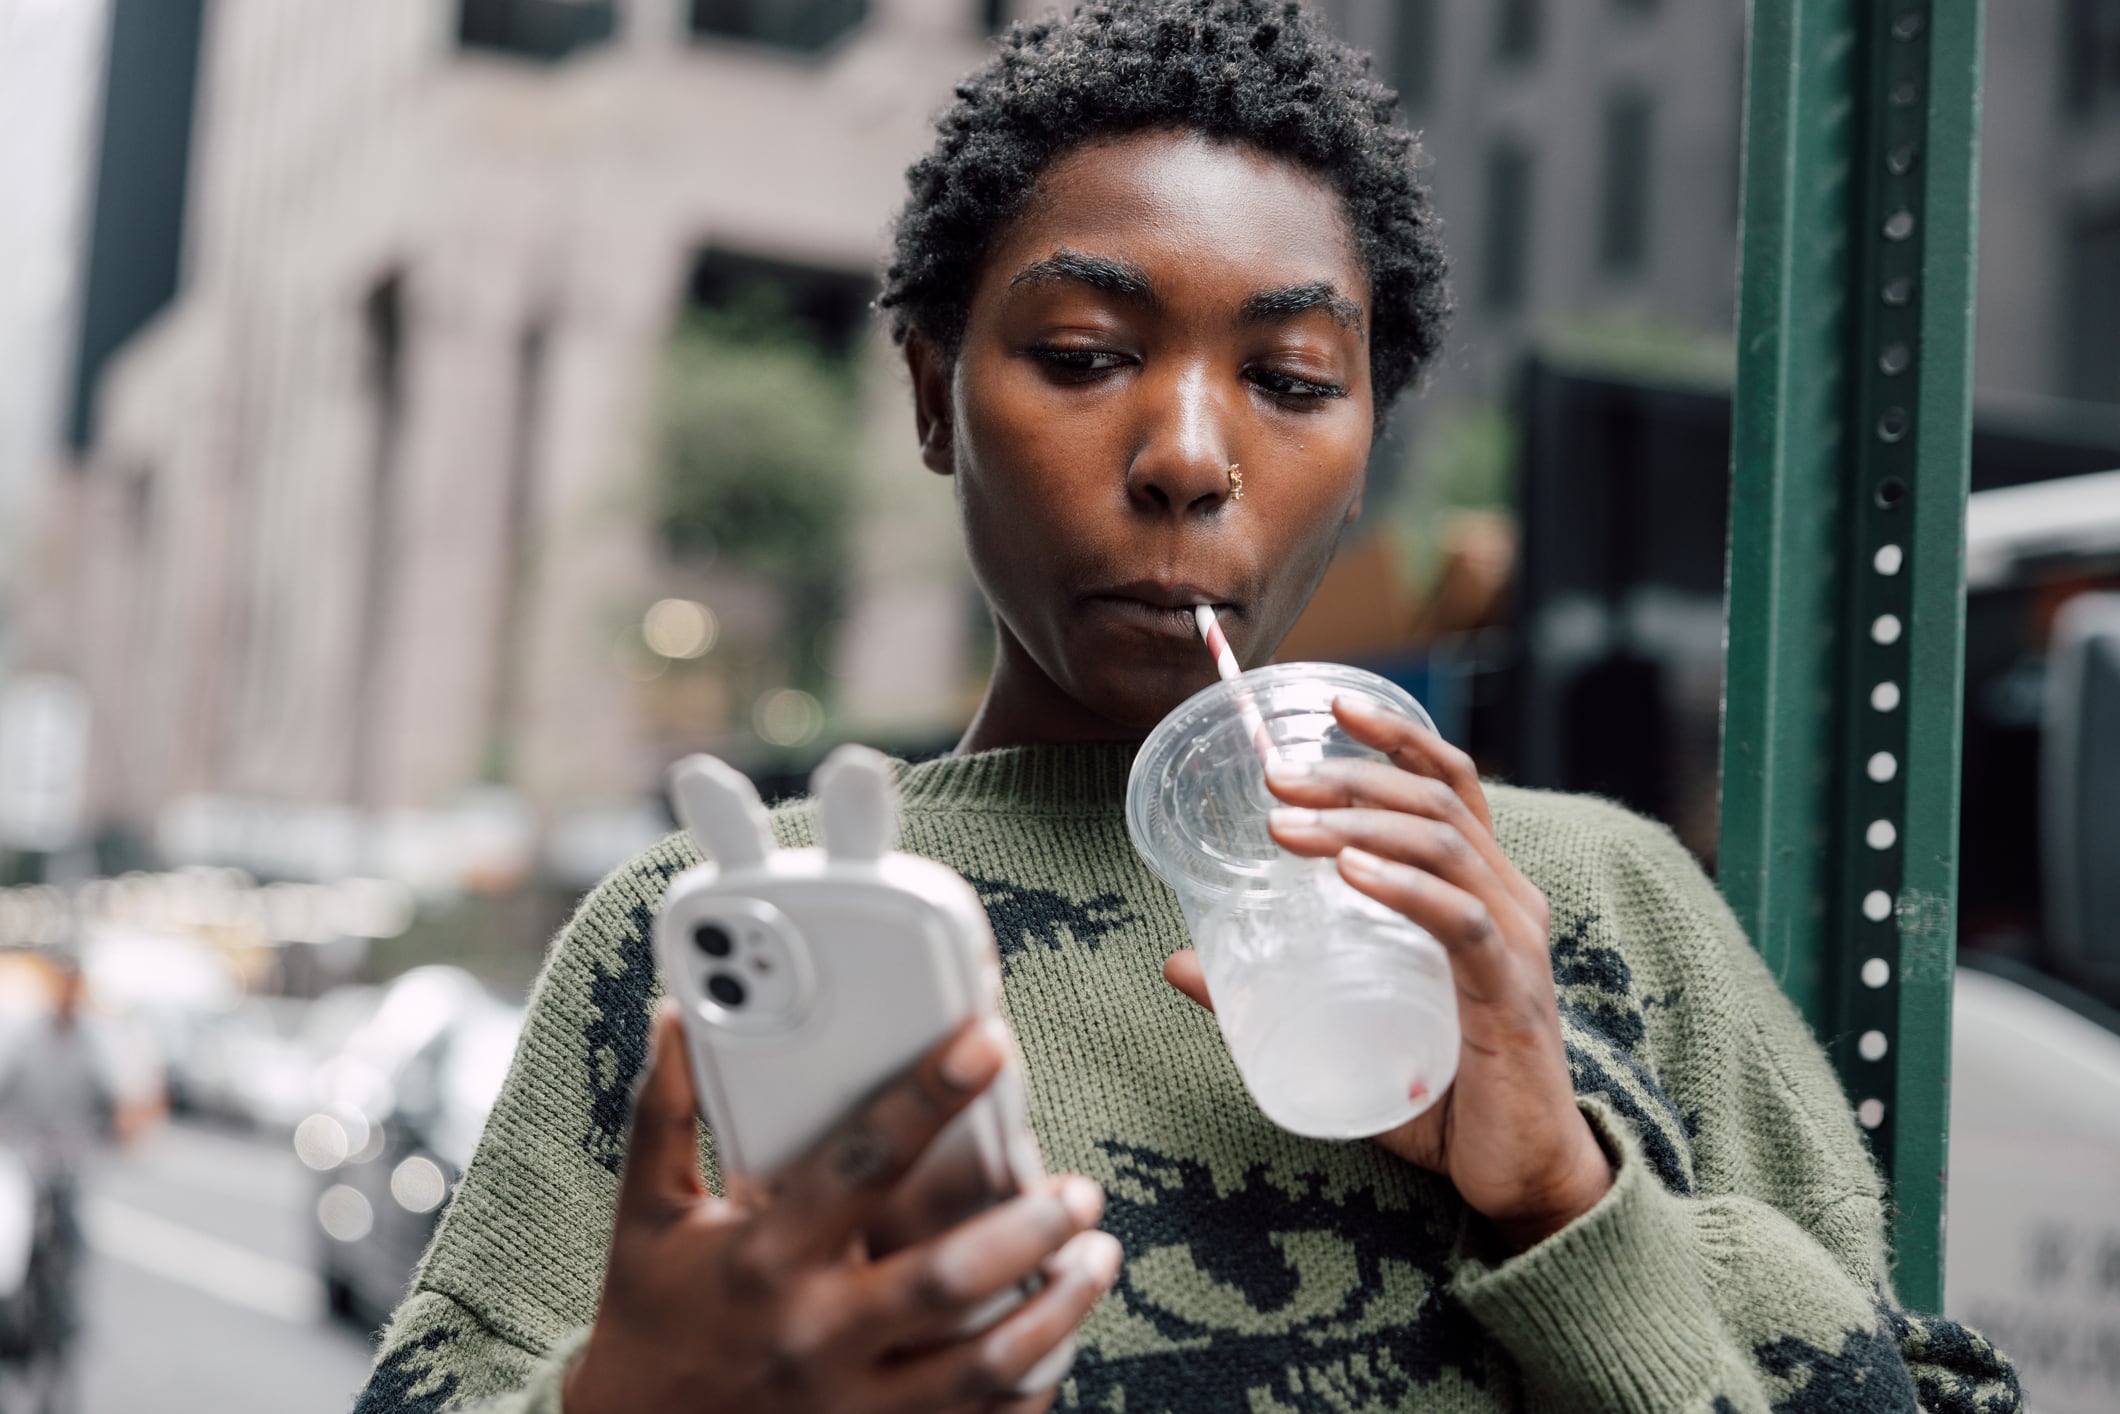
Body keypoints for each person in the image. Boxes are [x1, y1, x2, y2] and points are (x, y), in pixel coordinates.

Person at [353, 4, 2021, 1410]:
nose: (1191, 458)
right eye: (1083, 355)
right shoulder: (710, 932)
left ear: (1369, 441)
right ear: (936, 397)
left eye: (1294, 383)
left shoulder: (1594, 905)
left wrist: (1566, 1196)